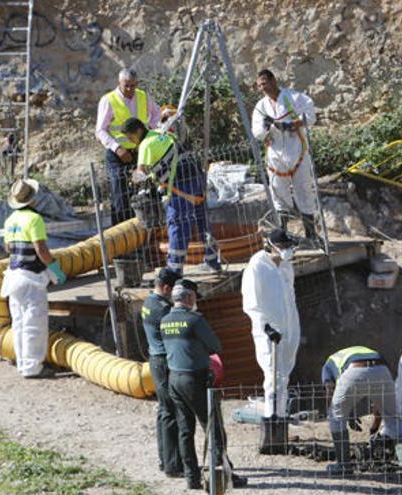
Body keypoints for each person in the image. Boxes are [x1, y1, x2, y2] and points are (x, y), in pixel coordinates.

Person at [161, 279, 246, 490]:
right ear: (189, 297)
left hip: (174, 379)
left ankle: (192, 478)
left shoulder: (164, 321)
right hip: (194, 379)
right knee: (213, 427)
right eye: (194, 298)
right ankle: (224, 476)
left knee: (185, 430)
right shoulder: (195, 320)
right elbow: (215, 345)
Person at [122, 117, 221, 274]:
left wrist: (133, 177)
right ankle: (213, 261)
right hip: (196, 177)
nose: (130, 141)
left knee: (178, 225)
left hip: (180, 183)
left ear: (138, 131)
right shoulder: (161, 134)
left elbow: (140, 173)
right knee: (203, 221)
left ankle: (174, 269)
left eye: (130, 137)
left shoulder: (146, 145)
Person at [0, 178, 66, 379]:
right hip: (31, 277)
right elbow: (42, 249)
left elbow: (8, 248)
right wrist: (55, 269)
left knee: (19, 323)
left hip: (13, 277)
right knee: (34, 324)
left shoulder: (10, 220)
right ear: (33, 198)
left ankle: (23, 363)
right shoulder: (34, 219)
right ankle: (33, 367)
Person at [250, 69, 318, 242]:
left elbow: (310, 115)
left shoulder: (293, 98)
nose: (262, 88)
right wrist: (266, 127)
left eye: (264, 83)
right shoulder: (261, 106)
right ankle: (283, 235)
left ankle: (311, 234)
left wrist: (293, 124)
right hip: (275, 156)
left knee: (304, 191)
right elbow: (256, 132)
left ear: (273, 81)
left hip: (298, 152)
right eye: (259, 85)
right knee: (279, 193)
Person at [322, 346, 402, 477]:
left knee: (336, 418)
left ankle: (343, 466)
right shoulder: (368, 351)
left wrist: (335, 412)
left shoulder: (328, 364)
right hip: (382, 370)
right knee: (392, 419)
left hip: (354, 372)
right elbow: (378, 400)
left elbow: (330, 389)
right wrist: (374, 427)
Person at [241, 228, 300, 419]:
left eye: (288, 246)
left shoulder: (286, 267)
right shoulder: (256, 267)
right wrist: (266, 327)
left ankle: (281, 416)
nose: (286, 250)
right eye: (283, 246)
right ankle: (272, 418)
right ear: (271, 246)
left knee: (284, 375)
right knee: (273, 374)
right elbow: (251, 302)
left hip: (289, 328)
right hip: (268, 332)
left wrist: (293, 327)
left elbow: (289, 299)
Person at [95, 68, 161, 225]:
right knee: (120, 196)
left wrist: (153, 132)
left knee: (144, 190)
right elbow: (100, 130)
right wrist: (117, 148)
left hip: (140, 153)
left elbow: (156, 114)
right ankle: (120, 236)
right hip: (118, 156)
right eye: (127, 86)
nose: (131, 89)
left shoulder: (143, 97)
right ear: (119, 83)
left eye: (133, 85)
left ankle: (143, 231)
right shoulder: (108, 100)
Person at [141, 268, 183, 478]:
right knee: (171, 413)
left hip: (155, 360)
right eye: (174, 291)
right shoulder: (164, 310)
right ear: (166, 288)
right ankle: (173, 465)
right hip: (164, 362)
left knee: (163, 411)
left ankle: (164, 459)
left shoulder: (148, 302)